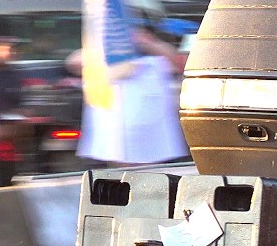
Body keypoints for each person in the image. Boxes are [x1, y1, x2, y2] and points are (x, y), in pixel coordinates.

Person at [73, 24, 190, 165]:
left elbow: (176, 60)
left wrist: (147, 43)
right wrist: (106, 46)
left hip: (151, 139)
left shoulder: (157, 63)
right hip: (117, 137)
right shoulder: (102, 59)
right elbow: (73, 62)